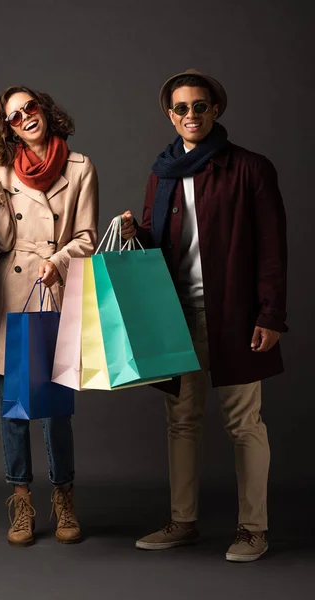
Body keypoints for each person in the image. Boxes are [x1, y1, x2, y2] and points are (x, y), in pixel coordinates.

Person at [121, 69, 287, 562]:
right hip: (177, 314)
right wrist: (135, 232)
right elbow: (158, 244)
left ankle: (253, 529)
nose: (190, 115)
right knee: (181, 421)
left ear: (216, 109)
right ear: (169, 114)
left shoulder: (250, 168)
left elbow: (272, 248)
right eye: (180, 108)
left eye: (199, 106)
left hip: (234, 314)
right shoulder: (162, 171)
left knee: (245, 424)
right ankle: (183, 521)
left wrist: (271, 314)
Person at [0, 85, 98, 547]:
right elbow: (2, 241)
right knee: (12, 411)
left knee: (56, 411)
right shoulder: (2, 168)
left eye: (30, 109)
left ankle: (64, 497)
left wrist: (58, 262)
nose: (24, 119)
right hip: (11, 293)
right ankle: (22, 500)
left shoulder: (80, 167)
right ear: (9, 128)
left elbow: (86, 236)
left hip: (53, 290)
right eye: (14, 117)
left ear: (44, 110)